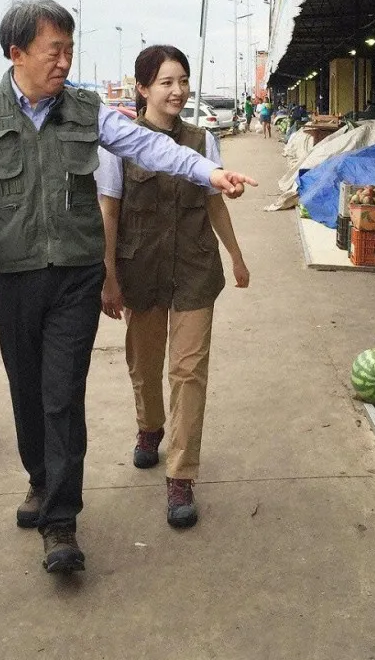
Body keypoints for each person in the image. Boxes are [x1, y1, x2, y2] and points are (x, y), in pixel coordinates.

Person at [0, 0, 257, 575]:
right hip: (12, 277)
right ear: (17, 54)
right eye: (53, 51)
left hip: (74, 275)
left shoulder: (88, 109)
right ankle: (40, 481)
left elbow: (148, 145)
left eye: (69, 49)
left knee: (62, 391)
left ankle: (62, 522)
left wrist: (208, 170)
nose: (64, 62)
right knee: (26, 391)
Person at [96, 45, 249, 528]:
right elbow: (109, 213)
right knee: (143, 362)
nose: (178, 91)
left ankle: (180, 475)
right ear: (142, 88)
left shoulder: (204, 141)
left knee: (188, 370)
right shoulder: (117, 145)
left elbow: (214, 203)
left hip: (194, 271)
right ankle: (149, 426)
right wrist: (109, 277)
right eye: (166, 82)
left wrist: (237, 256)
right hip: (140, 268)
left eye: (182, 81)